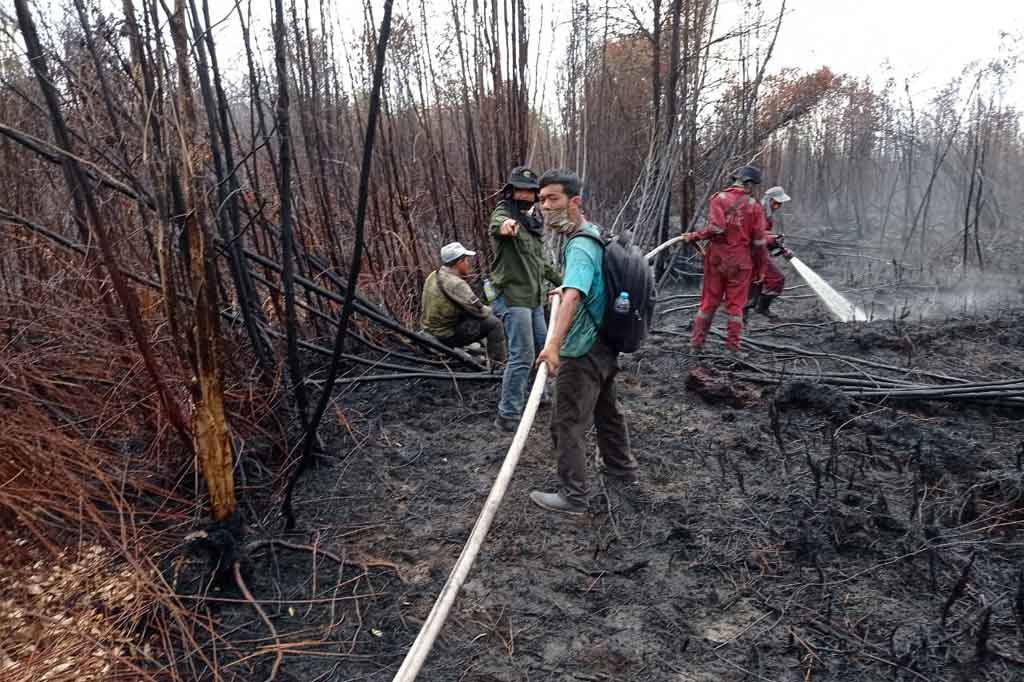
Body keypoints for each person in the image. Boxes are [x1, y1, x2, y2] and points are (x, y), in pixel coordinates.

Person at [530, 169, 638, 515]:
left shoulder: (579, 244)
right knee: (607, 412)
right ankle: (622, 470)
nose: (545, 207)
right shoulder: (595, 235)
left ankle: (574, 497)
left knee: (567, 422)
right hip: (606, 343)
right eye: (542, 199)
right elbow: (583, 287)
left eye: (553, 199)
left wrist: (554, 346)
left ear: (574, 202)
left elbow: (575, 295)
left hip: (582, 349)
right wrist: (563, 290)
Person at [489, 166, 563, 432]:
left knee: (543, 347)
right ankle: (507, 414)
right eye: (521, 189)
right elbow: (499, 224)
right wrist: (506, 226)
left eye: (531, 191)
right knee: (522, 355)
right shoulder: (504, 213)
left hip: (533, 299)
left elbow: (540, 263)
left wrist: (564, 283)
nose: (526, 195)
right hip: (512, 297)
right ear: (511, 191)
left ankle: (538, 396)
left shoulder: (532, 223)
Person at [681, 165, 768, 355]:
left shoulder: (718, 199)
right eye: (752, 185)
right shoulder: (755, 206)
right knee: (736, 307)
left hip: (716, 259)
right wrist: (761, 268)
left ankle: (696, 345)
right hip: (741, 262)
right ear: (748, 183)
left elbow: (716, 228)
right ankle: (733, 349)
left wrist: (695, 235)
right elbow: (760, 242)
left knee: (708, 303)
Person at [421, 242, 506, 365]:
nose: (468, 264)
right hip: (445, 335)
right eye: (466, 260)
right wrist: (494, 310)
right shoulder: (457, 284)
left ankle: (476, 352)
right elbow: (480, 312)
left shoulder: (434, 275)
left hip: (430, 330)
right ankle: (498, 366)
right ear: (459, 262)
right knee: (494, 324)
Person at [746, 185, 794, 320]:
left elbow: (765, 237)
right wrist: (775, 242)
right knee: (776, 280)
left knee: (757, 284)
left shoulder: (767, 215)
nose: (778, 206)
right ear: (769, 200)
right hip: (751, 253)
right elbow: (754, 235)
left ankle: (746, 315)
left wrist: (780, 248)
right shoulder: (757, 212)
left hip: (756, 253)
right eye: (777, 203)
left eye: (780, 204)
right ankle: (761, 308)